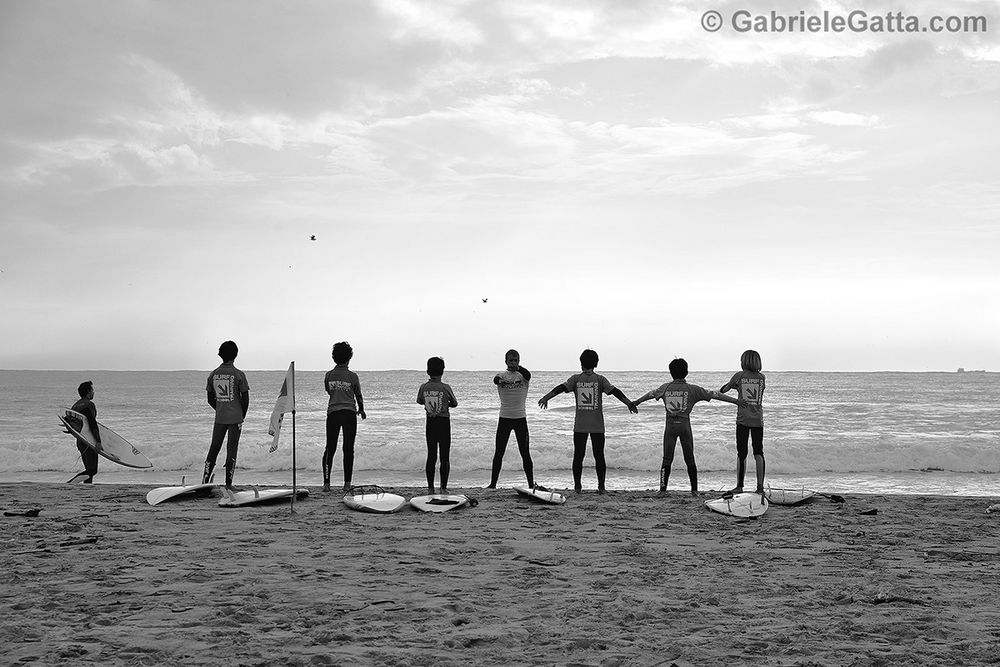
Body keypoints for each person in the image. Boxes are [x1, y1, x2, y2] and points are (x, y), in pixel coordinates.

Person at [632, 358, 743, 497]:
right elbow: (715, 394)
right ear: (687, 372)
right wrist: (736, 401)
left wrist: (635, 402)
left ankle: (662, 490)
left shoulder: (665, 388)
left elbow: (650, 394)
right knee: (689, 458)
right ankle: (694, 491)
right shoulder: (693, 389)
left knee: (667, 459)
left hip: (670, 428)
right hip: (685, 427)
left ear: (670, 372)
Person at [537, 349, 637, 494]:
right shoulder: (601, 379)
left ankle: (578, 487)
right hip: (597, 425)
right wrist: (629, 403)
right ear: (596, 363)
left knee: (578, 456)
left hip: (580, 425)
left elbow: (560, 388)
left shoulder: (575, 379)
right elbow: (616, 392)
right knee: (599, 456)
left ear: (581, 363)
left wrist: (546, 397)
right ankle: (601, 487)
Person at [718, 349, 766, 494]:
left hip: (743, 420)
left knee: (742, 453)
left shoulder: (739, 376)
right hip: (758, 419)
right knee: (758, 452)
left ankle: (739, 486)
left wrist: (732, 385)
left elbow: (722, 391)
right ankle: (760, 488)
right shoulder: (762, 377)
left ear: (744, 362)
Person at [203, 340, 249, 489]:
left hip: (220, 417)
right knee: (232, 448)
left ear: (220, 355)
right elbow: (245, 398)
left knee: (214, 447)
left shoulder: (213, 375)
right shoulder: (239, 374)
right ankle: (229, 484)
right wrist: (242, 415)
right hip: (235, 417)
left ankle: (204, 481)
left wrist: (221, 408)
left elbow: (210, 398)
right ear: (235, 355)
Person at [487, 349, 534, 489]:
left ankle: (531, 484)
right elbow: (495, 380)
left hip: (520, 419)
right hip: (504, 419)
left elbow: (528, 375)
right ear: (506, 361)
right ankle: (493, 484)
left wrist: (518, 368)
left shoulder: (523, 376)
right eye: (510, 360)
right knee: (499, 452)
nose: (513, 363)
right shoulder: (501, 375)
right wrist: (500, 380)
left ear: (519, 361)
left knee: (525, 452)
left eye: (515, 360)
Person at [323, 341, 367, 493]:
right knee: (348, 448)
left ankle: (326, 484)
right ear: (350, 358)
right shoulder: (353, 376)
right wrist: (361, 409)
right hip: (349, 414)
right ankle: (347, 484)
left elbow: (329, 391)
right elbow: (358, 395)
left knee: (330, 448)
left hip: (333, 413)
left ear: (334, 357)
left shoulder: (328, 375)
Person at [417, 356, 458, 494]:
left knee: (431, 455)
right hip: (443, 422)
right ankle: (443, 488)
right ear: (443, 370)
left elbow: (419, 400)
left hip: (430, 423)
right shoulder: (445, 387)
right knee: (444, 456)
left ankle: (430, 488)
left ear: (428, 370)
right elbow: (454, 403)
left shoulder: (424, 387)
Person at [68, 380, 102, 483]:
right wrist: (98, 441)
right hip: (89, 440)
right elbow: (92, 423)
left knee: (89, 469)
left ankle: (87, 488)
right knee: (92, 470)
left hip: (80, 440)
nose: (93, 392)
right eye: (92, 390)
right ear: (88, 391)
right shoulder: (89, 405)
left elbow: (72, 424)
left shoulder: (75, 406)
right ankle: (71, 483)